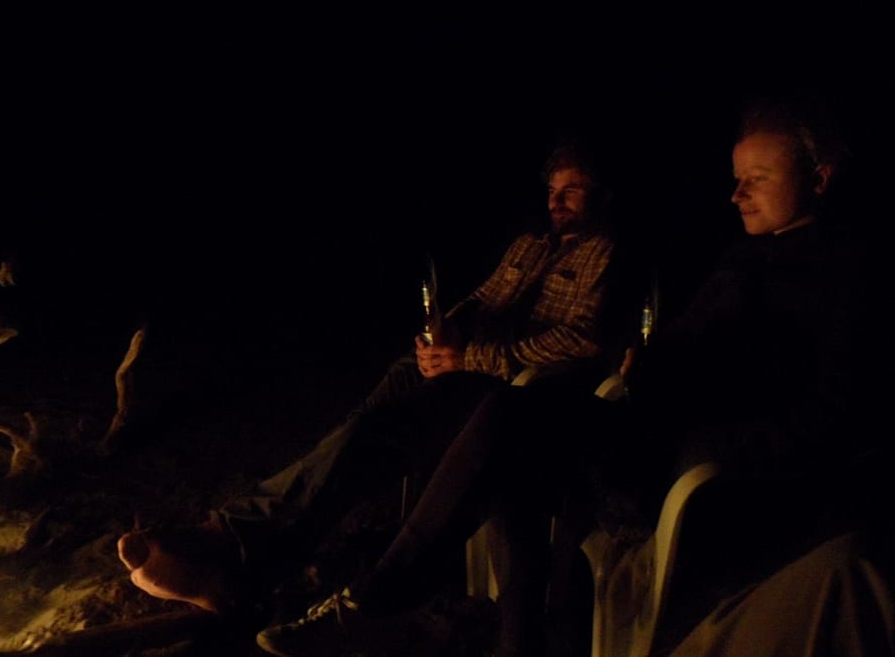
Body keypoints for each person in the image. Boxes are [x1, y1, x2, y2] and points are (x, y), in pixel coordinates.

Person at [252, 93, 889, 657]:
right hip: (647, 429)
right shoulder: (745, 256)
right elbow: (687, 349)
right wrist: (649, 366)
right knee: (510, 426)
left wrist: (706, 446)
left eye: (755, 179)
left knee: (514, 425)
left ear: (820, 178)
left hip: (703, 474)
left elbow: (830, 414)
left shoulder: (847, 280)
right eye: (735, 179)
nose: (735, 194)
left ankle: (382, 599)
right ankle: (487, 632)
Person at [117, 139, 634, 623]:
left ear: (604, 194)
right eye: (552, 190)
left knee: (364, 439)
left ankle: (228, 541)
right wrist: (442, 334)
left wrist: (468, 357)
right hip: (459, 364)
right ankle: (242, 566)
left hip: (505, 385)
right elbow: (481, 300)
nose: (555, 201)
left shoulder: (607, 254)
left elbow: (583, 341)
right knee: (356, 433)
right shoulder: (529, 245)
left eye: (571, 190)